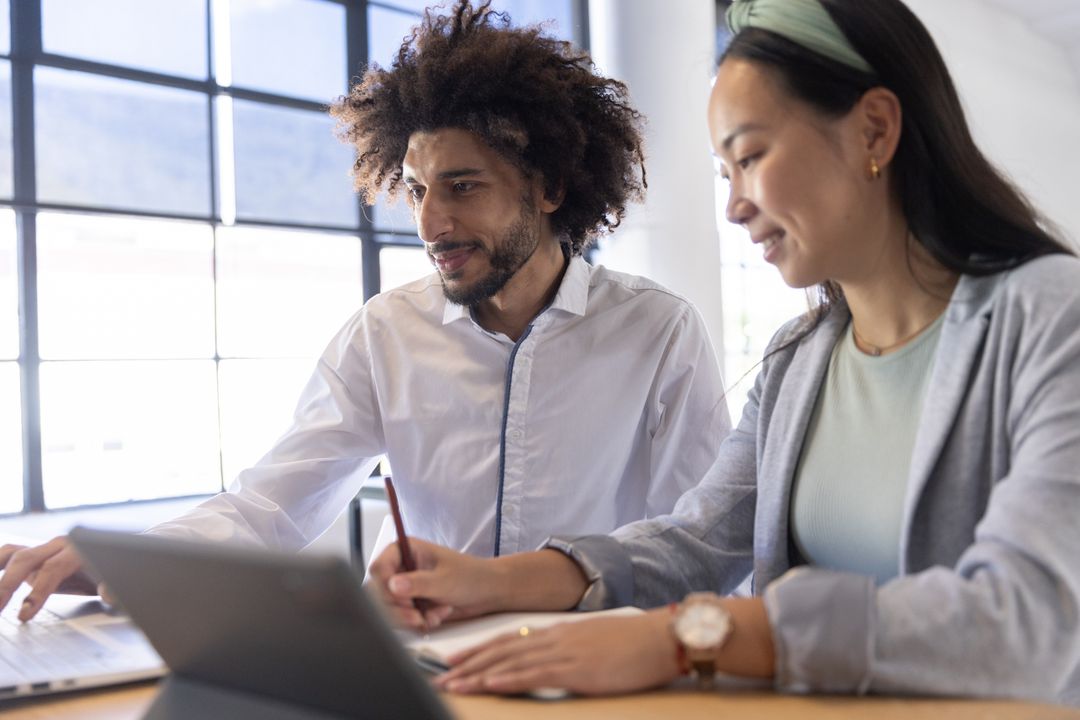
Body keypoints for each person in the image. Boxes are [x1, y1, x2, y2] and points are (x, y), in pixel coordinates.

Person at [368, 0, 1080, 705]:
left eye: (751, 157)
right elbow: (696, 542)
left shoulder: (1052, 318)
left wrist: (687, 637)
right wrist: (483, 582)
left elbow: (1026, 617)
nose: (735, 206)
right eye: (725, 175)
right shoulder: (798, 358)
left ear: (875, 129)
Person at [0, 1, 730, 623]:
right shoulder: (386, 332)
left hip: (594, 669)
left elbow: (697, 550)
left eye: (463, 187)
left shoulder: (658, 332)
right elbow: (270, 507)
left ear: (550, 189)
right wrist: (129, 561)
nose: (430, 224)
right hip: (424, 666)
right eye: (416, 190)